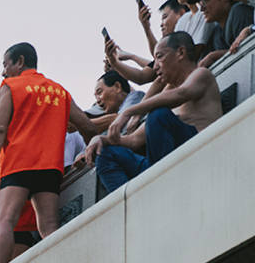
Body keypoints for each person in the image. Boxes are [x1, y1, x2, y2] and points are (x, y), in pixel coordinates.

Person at [0, 42, 107, 263]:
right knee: (48, 226)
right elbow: (87, 126)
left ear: (19, 61)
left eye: (5, 65)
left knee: (5, 220)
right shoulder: (58, 90)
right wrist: (91, 146)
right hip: (50, 167)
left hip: (18, 164)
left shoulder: (11, 86)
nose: (3, 71)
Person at [92, 32, 224, 170]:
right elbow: (135, 140)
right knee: (105, 155)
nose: (155, 67)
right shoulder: (166, 93)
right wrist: (103, 139)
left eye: (159, 57)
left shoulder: (201, 74)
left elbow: (181, 94)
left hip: (200, 153)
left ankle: (161, 181)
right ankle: (154, 185)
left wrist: (128, 112)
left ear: (180, 52)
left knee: (158, 114)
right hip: (165, 164)